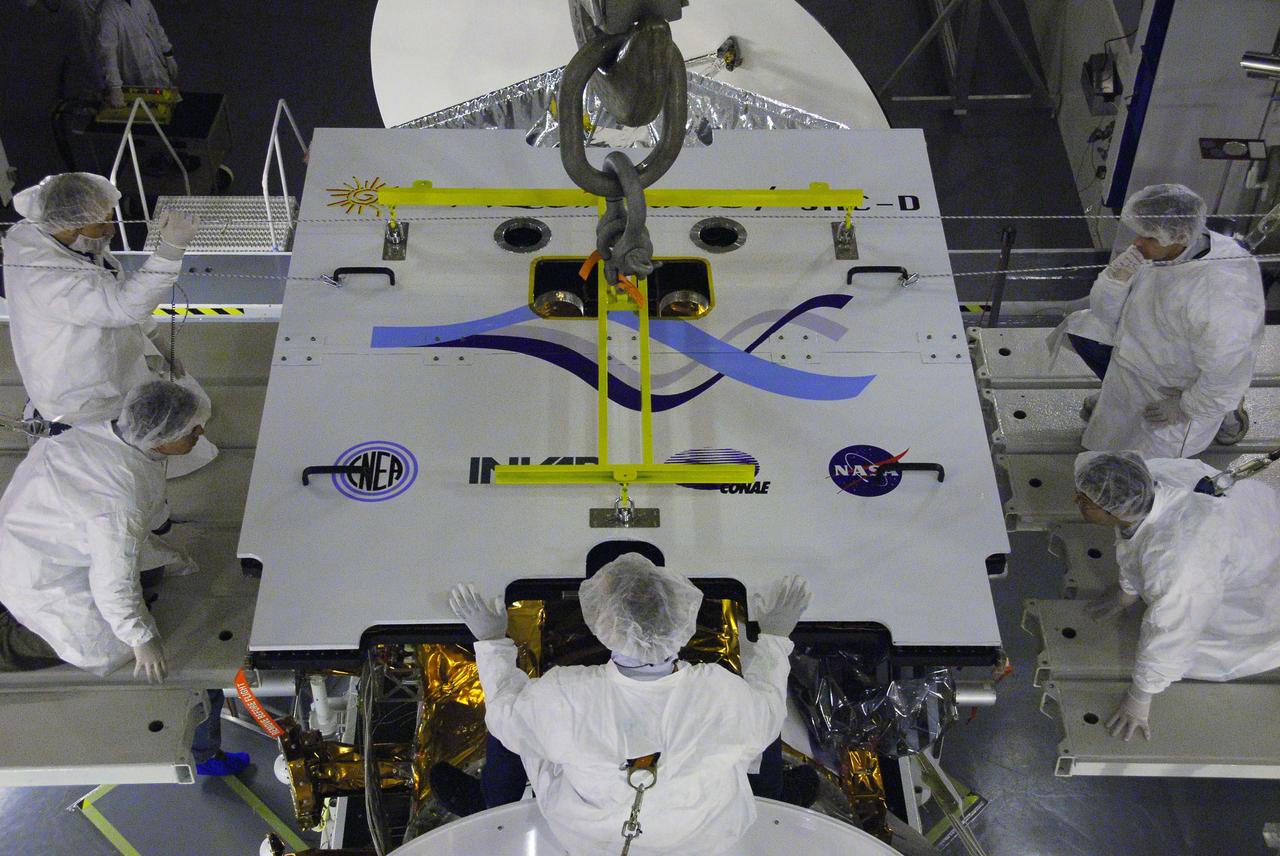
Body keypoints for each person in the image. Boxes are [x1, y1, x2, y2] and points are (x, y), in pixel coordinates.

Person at [443, 556, 811, 856]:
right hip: (704, 835)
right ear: (682, 618)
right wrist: (777, 636)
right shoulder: (721, 694)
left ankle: (493, 801)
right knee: (759, 725)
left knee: (517, 727)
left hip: (587, 836)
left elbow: (507, 716)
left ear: (603, 621)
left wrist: (491, 639)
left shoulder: (564, 697)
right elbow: (766, 709)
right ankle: (775, 799)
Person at [0, 378, 247, 776]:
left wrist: (166, 553)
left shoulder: (96, 435)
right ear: (160, 437)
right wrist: (141, 637)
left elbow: (124, 529)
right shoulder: (118, 502)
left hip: (28, 541)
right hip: (38, 580)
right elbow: (113, 580)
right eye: (191, 431)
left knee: (140, 582)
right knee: (102, 645)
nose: (200, 434)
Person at [1073, 451, 1280, 741]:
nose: (1076, 502)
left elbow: (1173, 631)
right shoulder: (1146, 479)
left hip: (1260, 577)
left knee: (1199, 637)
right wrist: (1127, 592)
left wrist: (1141, 696)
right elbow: (1134, 540)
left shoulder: (1178, 565)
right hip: (1252, 519)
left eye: (1085, 501)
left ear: (1114, 512)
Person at [1049, 184, 1263, 456]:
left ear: (1180, 236)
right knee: (1081, 329)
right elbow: (1105, 313)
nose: (1137, 243)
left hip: (1175, 386)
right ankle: (1115, 399)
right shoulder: (1166, 251)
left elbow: (1228, 372)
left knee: (1146, 465)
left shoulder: (1219, 296)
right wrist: (1114, 282)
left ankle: (1226, 415)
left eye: (1148, 236)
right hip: (1140, 356)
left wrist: (1186, 407)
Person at [4, 172, 199, 426]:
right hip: (83, 397)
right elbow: (122, 306)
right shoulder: (47, 279)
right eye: (100, 224)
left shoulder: (56, 235)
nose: (110, 230)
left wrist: (154, 338)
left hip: (111, 360)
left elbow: (111, 286)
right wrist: (170, 250)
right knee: (142, 441)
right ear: (68, 226)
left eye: (110, 219)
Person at [97, 0, 177, 108]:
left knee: (166, 111)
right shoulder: (108, 10)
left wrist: (168, 54)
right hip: (134, 78)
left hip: (158, 70)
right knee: (144, 113)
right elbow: (108, 52)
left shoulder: (143, 2)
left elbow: (157, 29)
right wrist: (114, 86)